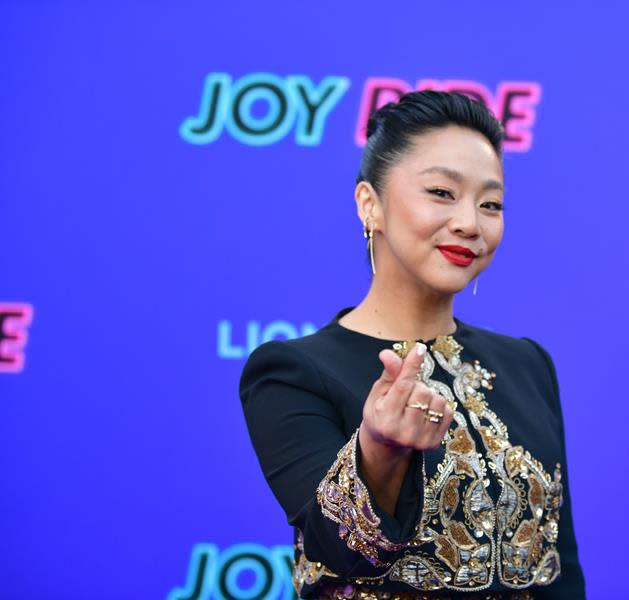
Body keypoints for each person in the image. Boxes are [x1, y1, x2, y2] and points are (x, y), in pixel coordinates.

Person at [239, 91, 585, 599]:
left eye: (490, 203)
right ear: (369, 204)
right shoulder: (292, 372)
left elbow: (560, 571)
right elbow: (334, 551)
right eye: (442, 192)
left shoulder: (528, 364)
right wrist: (378, 452)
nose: (470, 222)